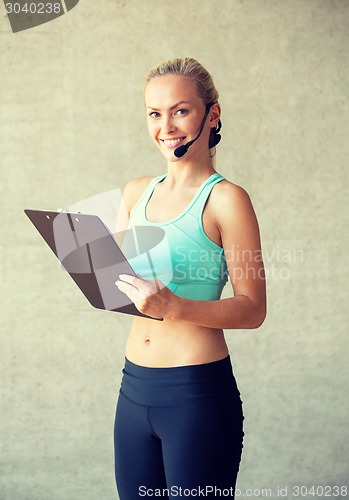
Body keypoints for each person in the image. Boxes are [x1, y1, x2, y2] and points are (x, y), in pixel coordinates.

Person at [113, 57, 267, 499]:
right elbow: (126, 284)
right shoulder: (134, 191)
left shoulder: (227, 200)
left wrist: (175, 307)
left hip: (195, 396)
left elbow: (253, 309)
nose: (166, 126)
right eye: (154, 113)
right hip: (132, 391)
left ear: (211, 115)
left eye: (180, 110)